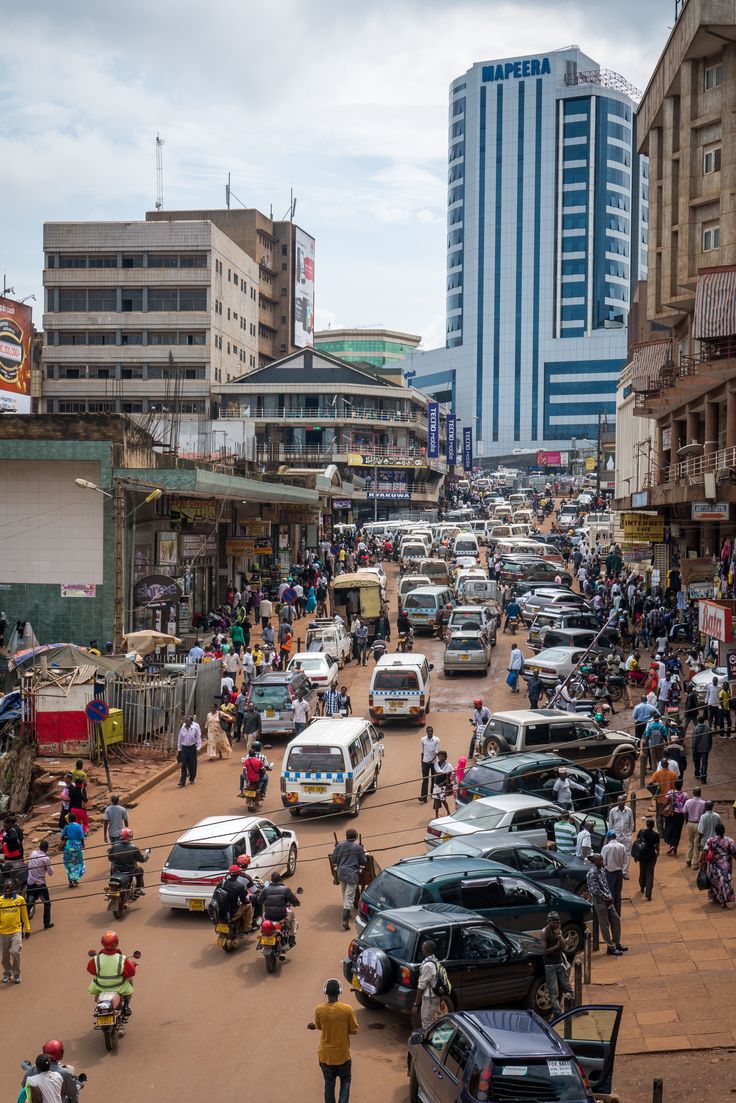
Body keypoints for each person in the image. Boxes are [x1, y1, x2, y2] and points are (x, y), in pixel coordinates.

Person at [308, 979, 358, 1103]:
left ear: (325, 992)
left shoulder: (319, 1010)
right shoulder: (347, 1009)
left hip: (325, 1057)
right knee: (346, 1080)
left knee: (329, 1084)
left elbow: (319, 1026)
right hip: (343, 1056)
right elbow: (354, 1030)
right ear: (339, 992)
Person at [86, 930, 137, 1019]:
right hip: (119, 986)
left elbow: (91, 970)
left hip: (101, 986)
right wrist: (133, 965)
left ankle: (99, 1002)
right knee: (130, 982)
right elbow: (131, 972)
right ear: (116, 943)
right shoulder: (121, 958)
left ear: (102, 943)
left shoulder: (96, 959)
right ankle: (126, 1006)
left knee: (95, 980)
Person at [586, 854, 626, 955]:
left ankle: (616, 943)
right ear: (594, 861)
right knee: (604, 924)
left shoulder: (602, 869)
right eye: (600, 860)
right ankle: (610, 947)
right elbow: (595, 890)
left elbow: (605, 884)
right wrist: (607, 897)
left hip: (608, 899)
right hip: (600, 901)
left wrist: (609, 896)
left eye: (602, 860)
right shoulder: (592, 873)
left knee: (616, 919)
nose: (602, 862)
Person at [331, 829, 366, 930]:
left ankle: (347, 912)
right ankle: (345, 919)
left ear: (346, 836)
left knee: (344, 893)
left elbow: (334, 860)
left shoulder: (339, 846)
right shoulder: (358, 847)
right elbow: (363, 862)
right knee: (349, 896)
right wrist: (361, 851)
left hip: (341, 874)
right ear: (355, 837)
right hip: (351, 875)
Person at [540, 911, 572, 1016]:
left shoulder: (558, 930)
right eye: (555, 922)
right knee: (554, 992)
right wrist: (557, 947)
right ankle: (557, 1013)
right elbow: (544, 951)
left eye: (559, 922)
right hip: (549, 965)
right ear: (549, 922)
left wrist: (559, 936)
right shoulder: (544, 932)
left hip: (559, 962)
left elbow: (563, 947)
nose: (558, 924)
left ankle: (571, 1008)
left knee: (567, 987)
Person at [0, 877, 30, 983]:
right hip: (3, 933)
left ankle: (16, 974)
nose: (7, 890)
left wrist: (27, 928)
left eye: (9, 888)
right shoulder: (0, 901)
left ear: (13, 889)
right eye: (5, 888)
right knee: (5, 956)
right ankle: (7, 973)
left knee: (15, 952)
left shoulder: (20, 899)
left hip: (16, 931)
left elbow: (24, 915)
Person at [257, 871, 300, 941]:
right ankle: (291, 936)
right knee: (291, 915)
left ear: (271, 879)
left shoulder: (266, 889)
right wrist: (297, 904)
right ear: (280, 879)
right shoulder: (285, 889)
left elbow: (259, 900)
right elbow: (294, 901)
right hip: (280, 916)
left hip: (268, 916)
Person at [412, 940, 446, 1029]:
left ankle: (428, 1040)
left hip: (430, 998)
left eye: (423, 947)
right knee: (432, 1020)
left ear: (426, 949)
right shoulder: (435, 961)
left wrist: (416, 1004)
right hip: (435, 997)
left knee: (427, 1022)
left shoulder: (428, 965)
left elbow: (421, 986)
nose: (421, 949)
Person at [209, 865, 254, 931]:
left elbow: (215, 895)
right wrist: (249, 901)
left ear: (229, 873)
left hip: (222, 910)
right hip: (233, 912)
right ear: (238, 874)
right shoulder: (240, 886)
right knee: (249, 905)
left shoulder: (222, 883)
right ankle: (247, 927)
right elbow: (243, 900)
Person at [703, 822, 736, 908]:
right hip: (726, 864)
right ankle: (723, 900)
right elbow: (734, 852)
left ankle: (716, 898)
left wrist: (701, 861)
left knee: (714, 880)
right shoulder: (729, 840)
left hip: (714, 863)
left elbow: (705, 851)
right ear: (724, 831)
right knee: (725, 881)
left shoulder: (711, 840)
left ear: (716, 831)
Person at [26, 840, 54, 931]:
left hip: (30, 884)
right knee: (47, 904)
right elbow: (51, 873)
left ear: (39, 847)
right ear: (46, 849)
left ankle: (21, 927)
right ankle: (46, 923)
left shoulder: (33, 853)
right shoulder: (45, 858)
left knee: (28, 906)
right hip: (40, 885)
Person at [608, 794, 634, 877]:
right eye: (619, 801)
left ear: (625, 802)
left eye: (623, 801)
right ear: (617, 802)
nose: (621, 803)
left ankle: (624, 872)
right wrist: (611, 837)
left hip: (626, 836)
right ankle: (617, 870)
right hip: (616, 836)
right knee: (616, 853)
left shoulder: (629, 810)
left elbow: (631, 824)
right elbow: (611, 825)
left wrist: (629, 834)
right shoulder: (612, 811)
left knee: (627, 854)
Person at [601, 830, 626, 915]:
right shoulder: (622, 846)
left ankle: (612, 913)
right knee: (618, 893)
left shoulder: (606, 847)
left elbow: (603, 861)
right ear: (616, 837)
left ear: (608, 838)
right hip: (619, 873)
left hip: (609, 873)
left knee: (610, 893)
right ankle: (618, 913)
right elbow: (625, 860)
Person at [651, 758, 678, 835]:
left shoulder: (656, 774)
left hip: (659, 799)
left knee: (659, 815)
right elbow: (676, 785)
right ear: (668, 764)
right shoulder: (673, 774)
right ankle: (668, 831)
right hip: (670, 799)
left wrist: (654, 794)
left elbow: (651, 784)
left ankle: (661, 833)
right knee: (669, 815)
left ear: (661, 765)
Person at [635, 817, 660, 901]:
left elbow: (637, 844)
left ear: (646, 824)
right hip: (651, 855)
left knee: (642, 871)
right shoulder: (656, 835)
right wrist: (658, 853)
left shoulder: (641, 832)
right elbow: (657, 846)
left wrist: (636, 856)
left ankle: (642, 887)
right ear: (653, 826)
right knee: (650, 873)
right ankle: (648, 894)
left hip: (642, 855)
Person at [662, 778, 688, 856]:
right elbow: (686, 805)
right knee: (677, 831)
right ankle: (674, 848)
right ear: (681, 785)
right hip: (680, 815)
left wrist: (661, 809)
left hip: (671, 814)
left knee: (669, 829)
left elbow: (666, 803)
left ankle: (672, 846)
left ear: (674, 785)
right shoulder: (685, 795)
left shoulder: (671, 792)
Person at [61, 814, 85, 888]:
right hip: (77, 847)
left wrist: (67, 839)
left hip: (68, 847)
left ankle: (70, 882)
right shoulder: (79, 826)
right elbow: (82, 837)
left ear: (69, 819)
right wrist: (83, 845)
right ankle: (75, 879)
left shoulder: (67, 827)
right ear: (75, 819)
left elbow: (62, 837)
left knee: (69, 864)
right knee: (77, 863)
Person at [684, 787, 706, 869]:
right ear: (700, 793)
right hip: (699, 824)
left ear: (693, 793)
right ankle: (694, 863)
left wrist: (687, 822)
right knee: (697, 843)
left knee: (690, 842)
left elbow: (685, 813)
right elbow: (703, 814)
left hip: (690, 823)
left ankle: (688, 859)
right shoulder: (703, 803)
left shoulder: (688, 802)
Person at [177, 715, 202, 787]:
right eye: (185, 720)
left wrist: (198, 748)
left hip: (192, 748)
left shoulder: (194, 729)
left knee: (192, 764)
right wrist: (179, 749)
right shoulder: (182, 729)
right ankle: (182, 781)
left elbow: (198, 739)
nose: (186, 722)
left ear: (191, 722)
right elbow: (180, 740)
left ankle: (192, 778)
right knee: (183, 765)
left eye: (188, 721)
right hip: (184, 748)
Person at [419, 726, 440, 804]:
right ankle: (423, 796)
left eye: (431, 731)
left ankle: (432, 793)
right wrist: (422, 763)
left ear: (433, 731)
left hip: (434, 762)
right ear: (426, 732)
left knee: (433, 778)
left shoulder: (437, 740)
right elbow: (422, 752)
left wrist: (432, 760)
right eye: (429, 731)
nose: (430, 732)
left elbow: (437, 752)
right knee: (425, 779)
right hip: (425, 762)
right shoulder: (423, 740)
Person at [431, 751, 454, 817]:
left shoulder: (448, 766)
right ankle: (436, 815)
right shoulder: (436, 764)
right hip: (436, 785)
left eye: (442, 756)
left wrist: (442, 783)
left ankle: (448, 812)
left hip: (443, 785)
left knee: (443, 799)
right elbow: (435, 774)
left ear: (445, 757)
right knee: (436, 800)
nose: (441, 758)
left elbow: (448, 778)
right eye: (439, 756)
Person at [692, 713, 712, 783]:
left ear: (698, 721)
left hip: (697, 749)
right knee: (704, 763)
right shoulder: (708, 728)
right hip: (706, 749)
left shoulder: (696, 729)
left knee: (697, 761)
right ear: (704, 721)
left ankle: (697, 773)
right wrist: (709, 747)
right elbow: (710, 739)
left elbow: (694, 741)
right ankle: (703, 778)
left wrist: (693, 750)